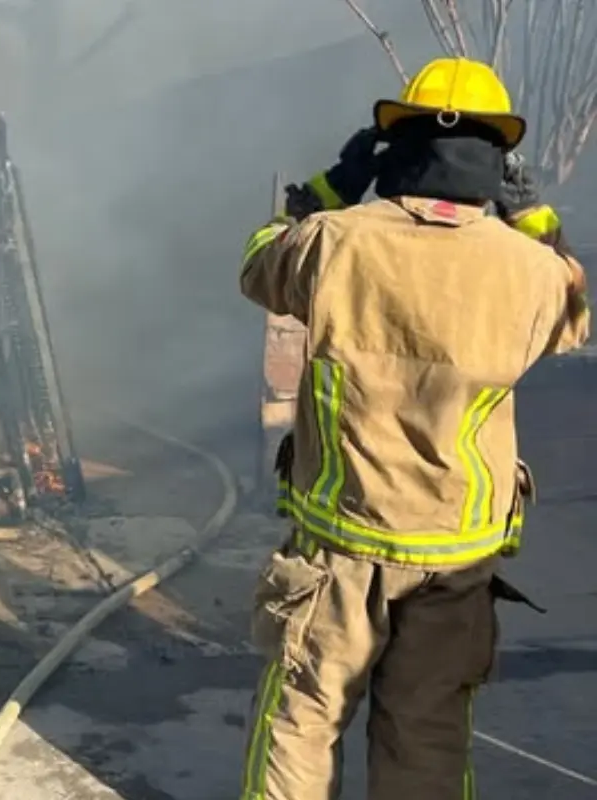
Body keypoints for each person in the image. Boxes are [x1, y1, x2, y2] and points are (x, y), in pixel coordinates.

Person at [236, 57, 590, 800]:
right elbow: (573, 310)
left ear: (394, 146)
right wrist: (535, 219)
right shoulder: (531, 270)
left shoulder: (334, 240)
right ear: (497, 160)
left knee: (302, 724)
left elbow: (259, 264)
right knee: (427, 738)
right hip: (454, 555)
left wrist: (329, 186)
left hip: (341, 543)